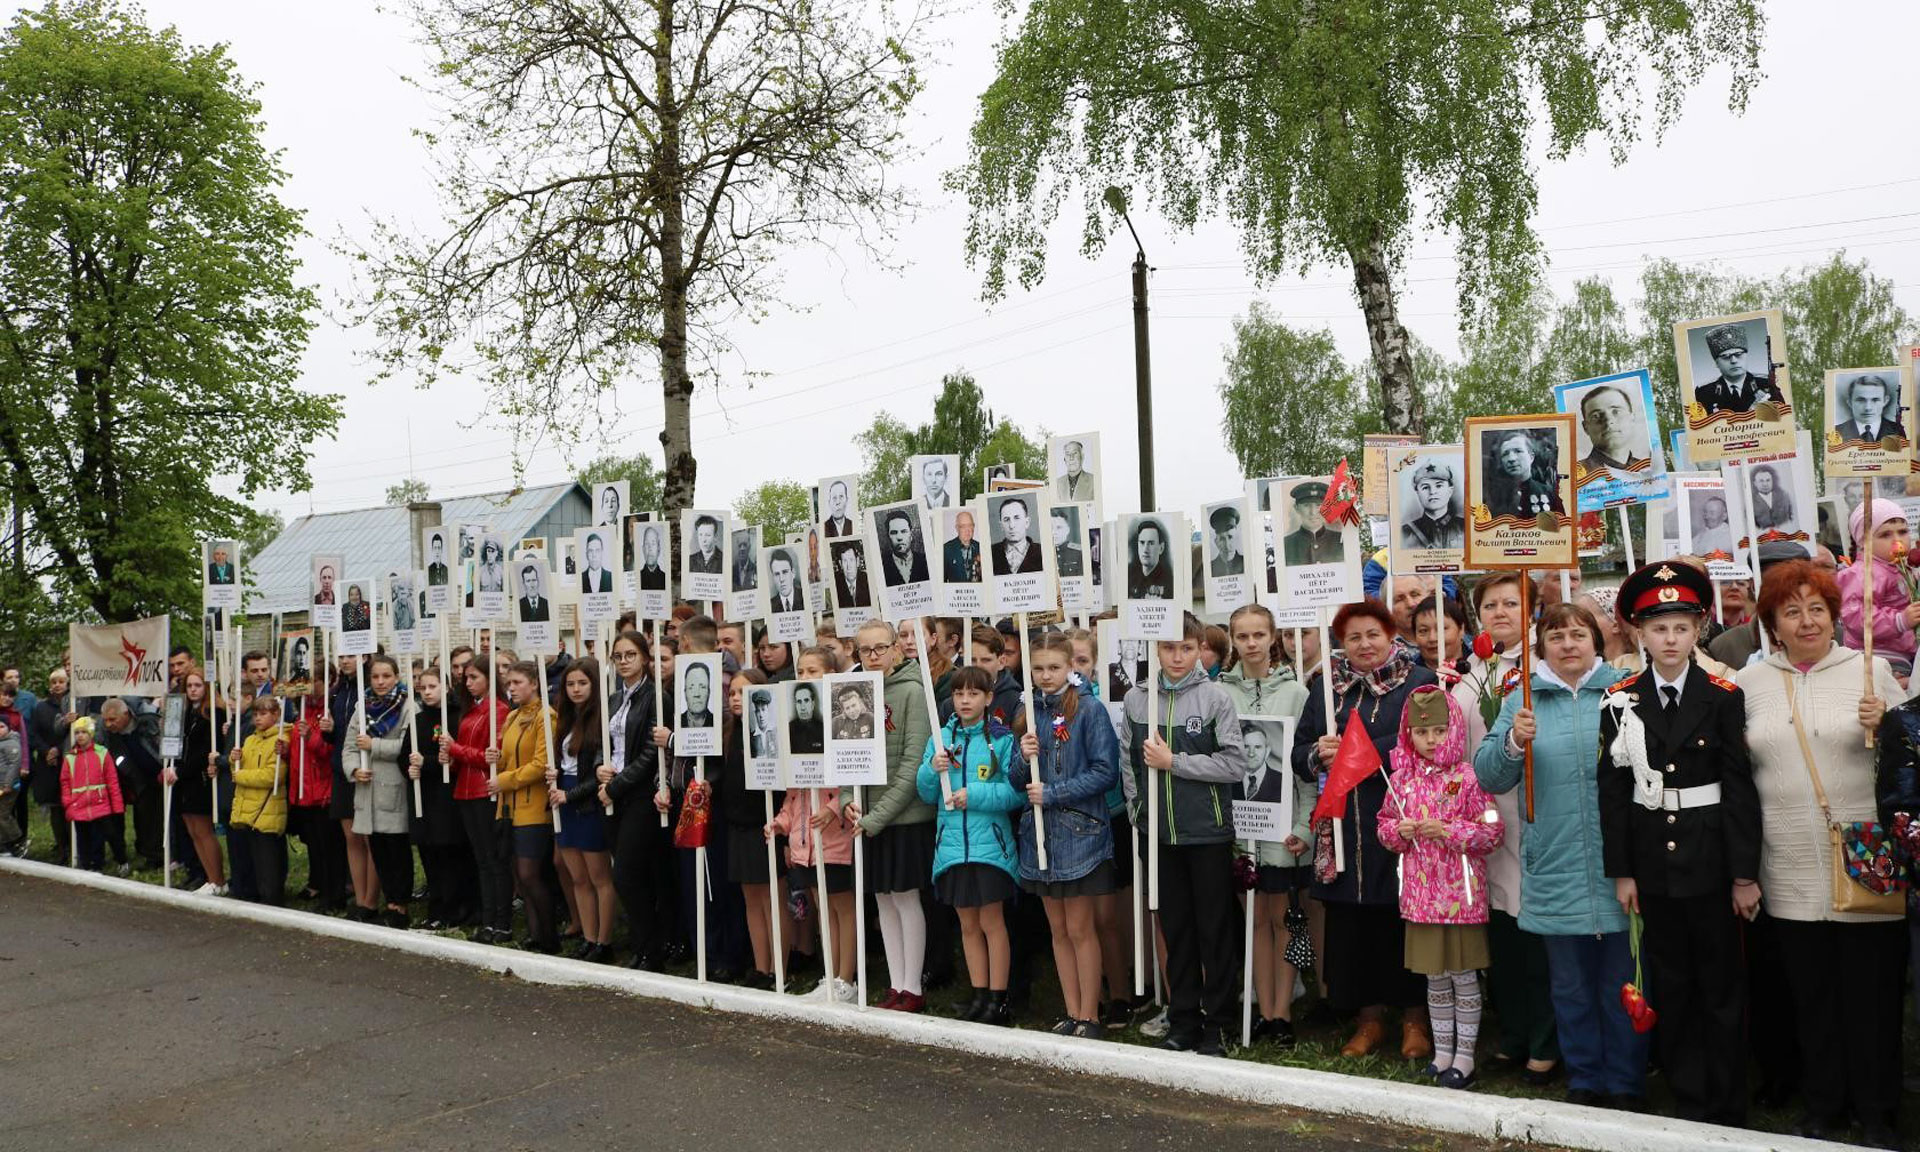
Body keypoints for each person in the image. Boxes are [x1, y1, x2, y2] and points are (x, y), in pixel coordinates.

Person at [1741, 559, 1904, 1145]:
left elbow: (1910, 755)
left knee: (1872, 995)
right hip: (1786, 863)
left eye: (1817, 609)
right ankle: (1824, 1106)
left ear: (1836, 616)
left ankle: (1877, 1110)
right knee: (1810, 997)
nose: (1807, 621)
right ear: (1772, 625)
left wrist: (1889, 723)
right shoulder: (1750, 683)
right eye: (1792, 611)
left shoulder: (1871, 669)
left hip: (1864, 860)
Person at [1596, 560, 1760, 1126]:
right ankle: (1689, 1096)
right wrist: (1623, 871)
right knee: (1673, 982)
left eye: (1681, 627)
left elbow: (1739, 789)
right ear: (1638, 633)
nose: (1670, 639)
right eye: (1658, 628)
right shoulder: (1620, 699)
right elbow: (1613, 792)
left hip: (1710, 861)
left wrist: (1744, 875)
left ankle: (1727, 1100)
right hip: (1653, 864)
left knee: (1721, 984)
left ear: (1699, 631)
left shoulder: (1723, 695)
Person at [1476, 602, 1646, 1110]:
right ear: (1541, 647)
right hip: (1554, 860)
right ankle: (1584, 1078)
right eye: (1556, 636)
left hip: (1620, 865)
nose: (1568, 644)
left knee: (1624, 982)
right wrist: (1512, 740)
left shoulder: (1625, 692)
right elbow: (1489, 774)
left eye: (1578, 634)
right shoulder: (1523, 698)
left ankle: (1626, 1081)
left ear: (1597, 641)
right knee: (1569, 985)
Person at [1294, 599, 1436, 1060]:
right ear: (1342, 644)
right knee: (1354, 928)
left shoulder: (1418, 681)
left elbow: (1423, 739)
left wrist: (1357, 753)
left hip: (1401, 823)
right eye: (1353, 637)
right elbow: (1298, 752)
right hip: (1343, 828)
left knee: (1402, 921)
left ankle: (1415, 1019)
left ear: (1390, 635)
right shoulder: (1326, 688)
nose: (1364, 644)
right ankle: (1369, 1020)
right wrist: (1318, 754)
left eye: (1373, 634)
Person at [1120, 612, 1247, 1054]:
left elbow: (1234, 764)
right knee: (1176, 931)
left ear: (1200, 650)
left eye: (1187, 649)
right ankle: (1184, 1020)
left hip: (1206, 833)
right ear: (1156, 649)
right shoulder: (1137, 699)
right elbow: (1128, 763)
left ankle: (1220, 1023)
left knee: (1214, 931)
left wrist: (1175, 762)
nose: (1178, 657)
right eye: (1169, 648)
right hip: (1157, 836)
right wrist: (1138, 810)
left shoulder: (1215, 698)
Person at [1379, 686, 1503, 1090]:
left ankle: (1465, 1057)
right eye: (1422, 732)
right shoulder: (1401, 780)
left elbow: (1492, 831)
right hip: (1420, 900)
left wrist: (1449, 831)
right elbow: (1384, 826)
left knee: (1463, 976)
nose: (1431, 740)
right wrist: (1398, 831)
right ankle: (1443, 1053)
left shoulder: (1469, 777)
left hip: (1460, 900)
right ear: (1409, 734)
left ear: (1455, 730)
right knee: (1434, 978)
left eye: (1439, 730)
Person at [1010, 632, 1120, 1037]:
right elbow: (1015, 779)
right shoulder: (1027, 710)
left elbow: (1105, 772)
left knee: (1079, 928)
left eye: (1054, 667)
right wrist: (1023, 758)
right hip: (1040, 837)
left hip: (1080, 835)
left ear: (1071, 666)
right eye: (1038, 668)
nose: (1045, 675)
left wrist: (1054, 793)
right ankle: (1071, 1011)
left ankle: (1090, 1015)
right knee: (1057, 930)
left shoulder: (1089, 709)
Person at [1217, 604, 1313, 1045]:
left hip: (1283, 828)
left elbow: (1304, 769)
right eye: (1242, 636)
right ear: (1232, 640)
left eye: (1259, 635)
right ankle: (1260, 1007)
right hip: (1239, 830)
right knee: (1253, 920)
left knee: (1283, 919)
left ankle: (1282, 1014)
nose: (1251, 643)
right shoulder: (1220, 693)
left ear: (1273, 637)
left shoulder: (1296, 693)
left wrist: (1305, 825)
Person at [918, 663, 1023, 1025]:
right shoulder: (940, 738)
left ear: (988, 698)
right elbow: (926, 792)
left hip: (990, 848)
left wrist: (974, 795)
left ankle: (999, 999)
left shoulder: (1001, 739)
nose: (965, 700)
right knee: (967, 924)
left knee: (992, 922)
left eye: (973, 693)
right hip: (951, 848)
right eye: (959, 693)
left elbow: (1014, 794)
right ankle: (978, 995)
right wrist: (932, 768)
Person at [840, 621, 934, 1011]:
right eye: (865, 650)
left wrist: (876, 817)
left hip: (904, 819)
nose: (874, 656)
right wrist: (847, 798)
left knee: (906, 899)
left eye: (881, 647)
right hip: (867, 819)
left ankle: (913, 987)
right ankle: (895, 986)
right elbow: (844, 755)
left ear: (896, 648)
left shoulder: (913, 691)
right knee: (883, 900)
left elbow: (914, 764)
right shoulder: (851, 692)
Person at [600, 630, 678, 970]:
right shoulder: (613, 699)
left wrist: (616, 786)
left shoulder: (657, 697)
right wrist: (600, 769)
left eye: (630, 654)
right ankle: (643, 946)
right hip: (614, 793)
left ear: (644, 658)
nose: (623, 661)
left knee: (627, 874)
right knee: (630, 873)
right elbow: (604, 743)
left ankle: (652, 948)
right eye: (618, 656)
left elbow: (650, 754)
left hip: (643, 795)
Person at [549, 658, 616, 963]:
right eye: (570, 684)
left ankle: (605, 940)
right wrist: (554, 774)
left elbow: (597, 773)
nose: (576, 689)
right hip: (562, 797)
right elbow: (563, 762)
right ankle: (588, 937)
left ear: (594, 685)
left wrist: (570, 794)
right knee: (577, 877)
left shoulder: (601, 721)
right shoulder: (565, 718)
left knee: (599, 876)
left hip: (585, 801)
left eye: (583, 683)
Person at [443, 659, 514, 943]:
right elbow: (467, 754)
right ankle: (488, 921)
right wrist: (451, 759)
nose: (468, 682)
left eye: (474, 677)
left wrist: (456, 749)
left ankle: (502, 923)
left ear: (488, 678)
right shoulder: (471, 709)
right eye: (466, 678)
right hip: (465, 791)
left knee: (495, 860)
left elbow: (490, 757)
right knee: (482, 860)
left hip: (486, 791)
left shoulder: (498, 710)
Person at [493, 660, 558, 952]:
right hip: (509, 807)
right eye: (509, 683)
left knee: (531, 874)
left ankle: (550, 938)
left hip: (534, 806)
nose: (512, 688)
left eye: (517, 682)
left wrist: (505, 780)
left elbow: (541, 764)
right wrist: (496, 760)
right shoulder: (512, 717)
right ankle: (534, 935)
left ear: (534, 683)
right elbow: (509, 758)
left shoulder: (547, 716)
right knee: (520, 875)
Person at [401, 667, 471, 930]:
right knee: (429, 855)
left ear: (447, 687)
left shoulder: (457, 717)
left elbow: (454, 759)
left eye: (433, 687)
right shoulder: (418, 720)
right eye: (423, 688)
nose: (427, 692)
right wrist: (409, 768)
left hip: (447, 798)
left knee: (449, 856)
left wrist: (428, 762)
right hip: (423, 797)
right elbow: (405, 754)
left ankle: (453, 910)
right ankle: (436, 908)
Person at [347, 654, 413, 928]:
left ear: (396, 677)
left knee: (397, 850)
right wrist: (354, 769)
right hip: (367, 788)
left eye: (386, 676)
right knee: (378, 850)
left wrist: (373, 745)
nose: (380, 681)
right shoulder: (363, 707)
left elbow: (407, 746)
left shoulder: (408, 706)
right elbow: (350, 745)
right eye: (375, 676)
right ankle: (387, 901)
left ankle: (401, 905)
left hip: (393, 787)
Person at [1838, 498, 1919, 675]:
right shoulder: (1864, 572)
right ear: (1863, 542)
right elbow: (1856, 615)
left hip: (1902, 653)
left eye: (1903, 532)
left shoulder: (1899, 568)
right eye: (1885, 535)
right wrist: (1900, 620)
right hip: (1876, 656)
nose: (1897, 539)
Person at [224, 697, 290, 905]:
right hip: (249, 810)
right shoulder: (251, 739)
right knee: (254, 860)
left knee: (269, 862)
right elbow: (239, 766)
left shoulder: (281, 740)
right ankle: (257, 895)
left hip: (267, 809)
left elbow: (273, 776)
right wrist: (234, 759)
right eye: (255, 714)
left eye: (263, 714)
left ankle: (273, 900)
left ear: (276, 715)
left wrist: (240, 776)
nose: (258, 719)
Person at [169, 670, 227, 895]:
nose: (193, 690)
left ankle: (218, 879)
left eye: (198, 685)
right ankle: (210, 878)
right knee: (192, 829)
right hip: (184, 779)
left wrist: (181, 771)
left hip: (199, 778)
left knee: (203, 830)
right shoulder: (186, 713)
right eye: (189, 686)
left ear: (207, 687)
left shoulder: (214, 713)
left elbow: (205, 750)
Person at [61, 717, 120, 871]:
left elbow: (112, 780)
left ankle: (98, 864)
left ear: (91, 734)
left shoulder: (102, 753)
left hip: (99, 804)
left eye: (84, 732)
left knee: (98, 838)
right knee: (82, 838)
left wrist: (117, 805)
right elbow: (65, 782)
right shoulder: (70, 757)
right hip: (78, 805)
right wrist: (68, 803)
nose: (80, 736)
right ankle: (85, 864)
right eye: (77, 732)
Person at [28, 668, 72, 864]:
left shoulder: (74, 704)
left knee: (69, 804)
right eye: (54, 682)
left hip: (69, 759)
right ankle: (62, 847)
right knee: (55, 807)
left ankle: (75, 845)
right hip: (48, 763)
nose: (57, 685)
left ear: (67, 683)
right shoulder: (41, 707)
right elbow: (33, 733)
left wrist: (60, 750)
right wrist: (47, 751)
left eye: (61, 681)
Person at [1693, 323, 1783, 414]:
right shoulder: (1704, 393)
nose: (1733, 360)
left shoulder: (1766, 384)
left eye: (1738, 354)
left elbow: (1783, 416)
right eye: (1725, 357)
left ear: (1746, 356)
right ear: (1716, 363)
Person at [1483, 430, 1565, 521]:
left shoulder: (1549, 493)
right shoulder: (1493, 498)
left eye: (1518, 451)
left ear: (1531, 457)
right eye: (1505, 454)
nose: (1511, 459)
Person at [1578, 387, 1647, 476]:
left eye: (1616, 411)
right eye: (1596, 416)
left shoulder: (1649, 469)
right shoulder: (1576, 475)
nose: (1608, 421)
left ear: (1632, 418)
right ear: (1585, 427)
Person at [1401, 461, 1465, 550]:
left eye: (1439, 486)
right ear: (1418, 493)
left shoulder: (1465, 527)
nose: (1432, 492)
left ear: (1450, 491)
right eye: (1425, 487)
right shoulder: (1404, 533)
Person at [1833, 372, 1905, 444]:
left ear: (1885, 401)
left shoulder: (1898, 431)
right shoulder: (1836, 432)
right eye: (1861, 400)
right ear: (1850, 402)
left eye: (1875, 400)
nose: (1868, 408)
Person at [1283, 481, 1343, 564]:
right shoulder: (1285, 544)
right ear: (1296, 508)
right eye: (1306, 505)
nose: (1313, 512)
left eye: (1318, 505)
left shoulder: (1341, 541)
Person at [991, 497, 1043, 575]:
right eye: (1006, 519)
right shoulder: (991, 553)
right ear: (1001, 525)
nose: (1011, 525)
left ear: (1027, 522)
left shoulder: (1042, 552)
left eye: (1017, 518)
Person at [1124, 517, 1172, 599]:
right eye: (1142, 543)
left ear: (1161, 548)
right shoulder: (1129, 575)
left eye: (1151, 543)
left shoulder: (1170, 581)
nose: (1145, 549)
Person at [879, 510, 928, 587]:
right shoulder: (881, 565)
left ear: (911, 535)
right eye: (894, 533)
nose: (899, 537)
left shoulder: (925, 561)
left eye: (904, 531)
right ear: (888, 537)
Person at [1748, 464, 1796, 533]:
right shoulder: (1750, 502)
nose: (1765, 484)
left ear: (1772, 481)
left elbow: (1793, 518)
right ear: (1755, 483)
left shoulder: (1784, 496)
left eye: (1768, 480)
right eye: (1761, 481)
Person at [943, 510, 982, 583]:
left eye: (970, 525)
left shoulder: (981, 547)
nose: (967, 530)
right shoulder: (946, 549)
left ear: (973, 527)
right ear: (957, 528)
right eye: (963, 526)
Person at [831, 542, 871, 609]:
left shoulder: (868, 580)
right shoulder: (835, 585)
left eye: (851, 560)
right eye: (845, 561)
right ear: (840, 564)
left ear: (857, 561)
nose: (849, 567)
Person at [1207, 506, 1244, 576]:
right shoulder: (1209, 568)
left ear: (1236, 539)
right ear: (1216, 542)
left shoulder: (1246, 562)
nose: (1227, 545)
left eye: (1230, 537)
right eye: (1222, 539)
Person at [678, 661, 715, 730]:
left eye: (702, 687)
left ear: (709, 692)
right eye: (691, 688)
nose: (697, 694)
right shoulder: (675, 722)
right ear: (685, 693)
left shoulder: (718, 722)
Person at [768, 549, 805, 614]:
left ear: (793, 573)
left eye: (785, 572)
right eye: (777, 574)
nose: (781, 579)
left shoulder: (804, 597)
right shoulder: (770, 606)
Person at [1051, 507, 1084, 578]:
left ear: (1067, 530)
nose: (1054, 532)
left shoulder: (1079, 552)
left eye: (1059, 527)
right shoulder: (1040, 554)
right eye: (1050, 528)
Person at [637, 524, 668, 590]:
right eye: (647, 543)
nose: (650, 548)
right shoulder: (636, 578)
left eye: (653, 543)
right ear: (643, 549)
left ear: (659, 549)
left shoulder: (666, 579)